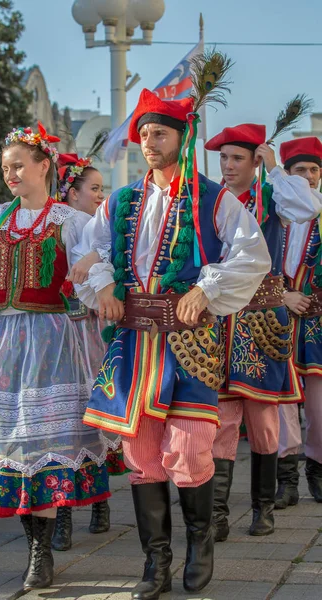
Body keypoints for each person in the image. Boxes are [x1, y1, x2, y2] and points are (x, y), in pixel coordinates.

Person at [71, 87, 271, 598]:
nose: (149, 141)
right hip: (135, 344)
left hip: (188, 345)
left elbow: (252, 255)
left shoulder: (214, 198)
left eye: (159, 132)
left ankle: (200, 542)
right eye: (143, 134)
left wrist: (205, 287)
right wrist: (104, 285)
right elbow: (87, 253)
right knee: (142, 456)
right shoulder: (119, 200)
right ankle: (154, 562)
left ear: (182, 137)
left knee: (188, 448)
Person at [0, 123, 114, 590]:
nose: (9, 174)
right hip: (4, 342)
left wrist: (87, 292)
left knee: (44, 444)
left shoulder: (72, 222)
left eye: (17, 166)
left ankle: (41, 551)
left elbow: (100, 265)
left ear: (44, 166)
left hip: (54, 342)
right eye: (5, 167)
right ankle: (36, 545)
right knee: (12, 445)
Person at [205, 124, 320, 541]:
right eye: (224, 158)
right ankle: (217, 513)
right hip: (217, 322)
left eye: (238, 158)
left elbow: (307, 206)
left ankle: (263, 508)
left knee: (265, 420)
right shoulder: (209, 198)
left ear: (255, 161)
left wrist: (274, 168)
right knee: (220, 419)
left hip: (262, 320)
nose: (229, 165)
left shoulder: (273, 194)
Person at [52, 154, 118, 551]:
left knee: (92, 417)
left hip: (90, 331)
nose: (99, 195)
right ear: (71, 193)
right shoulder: (53, 223)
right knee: (60, 423)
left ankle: (99, 500)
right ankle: (61, 513)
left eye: (101, 189)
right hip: (56, 334)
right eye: (93, 188)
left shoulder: (100, 231)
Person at [279, 137, 322, 507]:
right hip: (273, 320)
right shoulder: (271, 214)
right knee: (279, 404)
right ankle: (286, 478)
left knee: (319, 407)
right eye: (299, 171)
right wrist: (283, 296)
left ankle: (317, 468)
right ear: (286, 175)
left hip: (317, 324)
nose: (307, 177)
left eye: (313, 170)